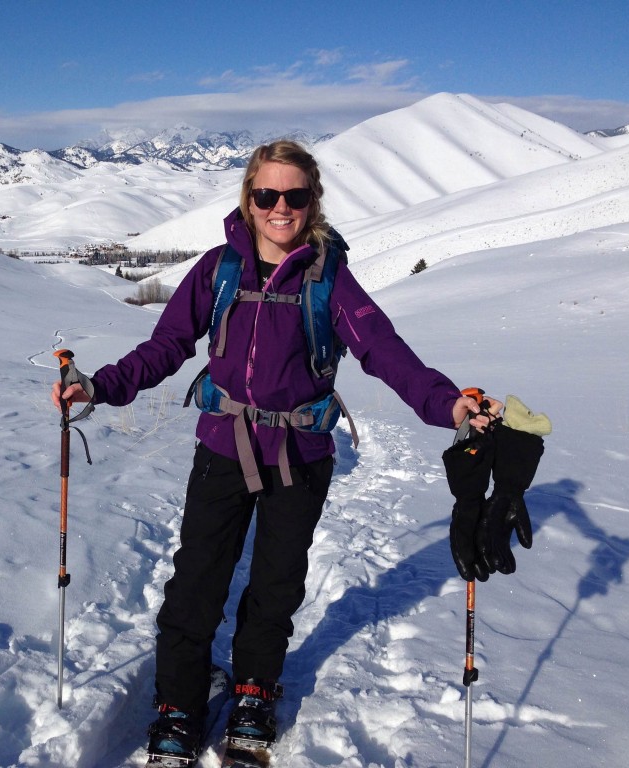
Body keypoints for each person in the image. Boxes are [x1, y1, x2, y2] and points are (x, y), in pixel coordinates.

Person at [51, 140, 494, 760]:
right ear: (248, 199)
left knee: (276, 583)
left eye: (295, 195)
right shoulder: (217, 269)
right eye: (267, 195)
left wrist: (450, 405)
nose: (280, 208)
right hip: (222, 447)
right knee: (196, 582)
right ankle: (178, 706)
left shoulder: (330, 279)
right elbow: (166, 346)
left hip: (300, 456)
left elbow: (386, 354)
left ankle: (253, 693)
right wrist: (99, 385)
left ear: (313, 201)